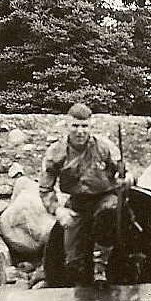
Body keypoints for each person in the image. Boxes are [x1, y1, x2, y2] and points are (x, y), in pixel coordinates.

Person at [39, 103, 132, 286]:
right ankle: (81, 300)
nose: (79, 131)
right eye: (75, 126)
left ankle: (101, 268)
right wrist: (58, 210)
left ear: (90, 126)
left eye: (84, 126)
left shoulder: (104, 147)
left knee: (108, 213)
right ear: (67, 126)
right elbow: (45, 188)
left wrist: (127, 178)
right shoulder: (55, 153)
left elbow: (124, 172)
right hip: (77, 204)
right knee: (73, 263)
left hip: (104, 197)